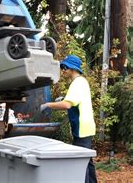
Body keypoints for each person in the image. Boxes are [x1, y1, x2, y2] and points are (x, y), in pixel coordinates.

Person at [41, 54, 97, 183]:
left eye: (65, 67)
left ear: (73, 68)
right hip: (86, 127)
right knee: (87, 161)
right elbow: (74, 101)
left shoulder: (77, 83)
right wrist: (63, 99)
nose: (63, 70)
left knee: (80, 163)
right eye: (62, 67)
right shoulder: (81, 82)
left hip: (82, 129)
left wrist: (48, 105)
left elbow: (67, 104)